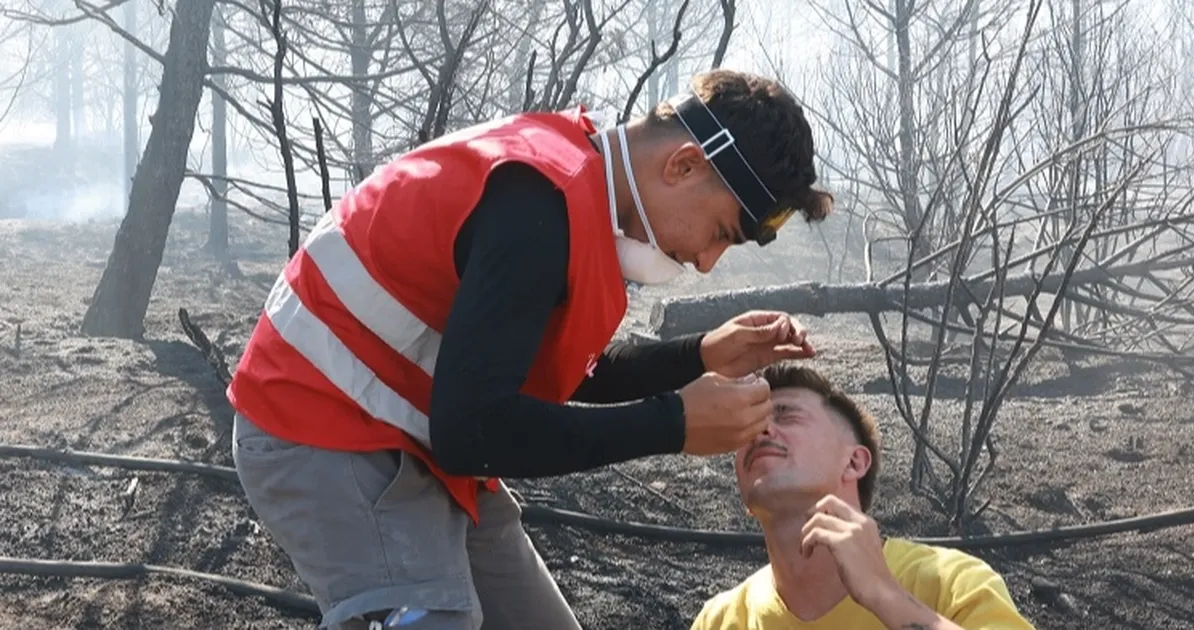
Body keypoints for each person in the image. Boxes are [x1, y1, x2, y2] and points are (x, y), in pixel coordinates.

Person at [227, 68, 834, 630]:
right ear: (683, 165)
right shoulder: (537, 203)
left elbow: (556, 366)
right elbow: (473, 431)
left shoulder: (576, 188)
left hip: (414, 430)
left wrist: (699, 355)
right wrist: (672, 425)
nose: (705, 262)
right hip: (319, 423)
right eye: (721, 233)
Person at [690, 361, 1036, 630]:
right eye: (749, 426)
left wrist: (884, 595)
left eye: (786, 414)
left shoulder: (951, 584)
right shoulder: (719, 621)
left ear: (854, 462)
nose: (760, 431)